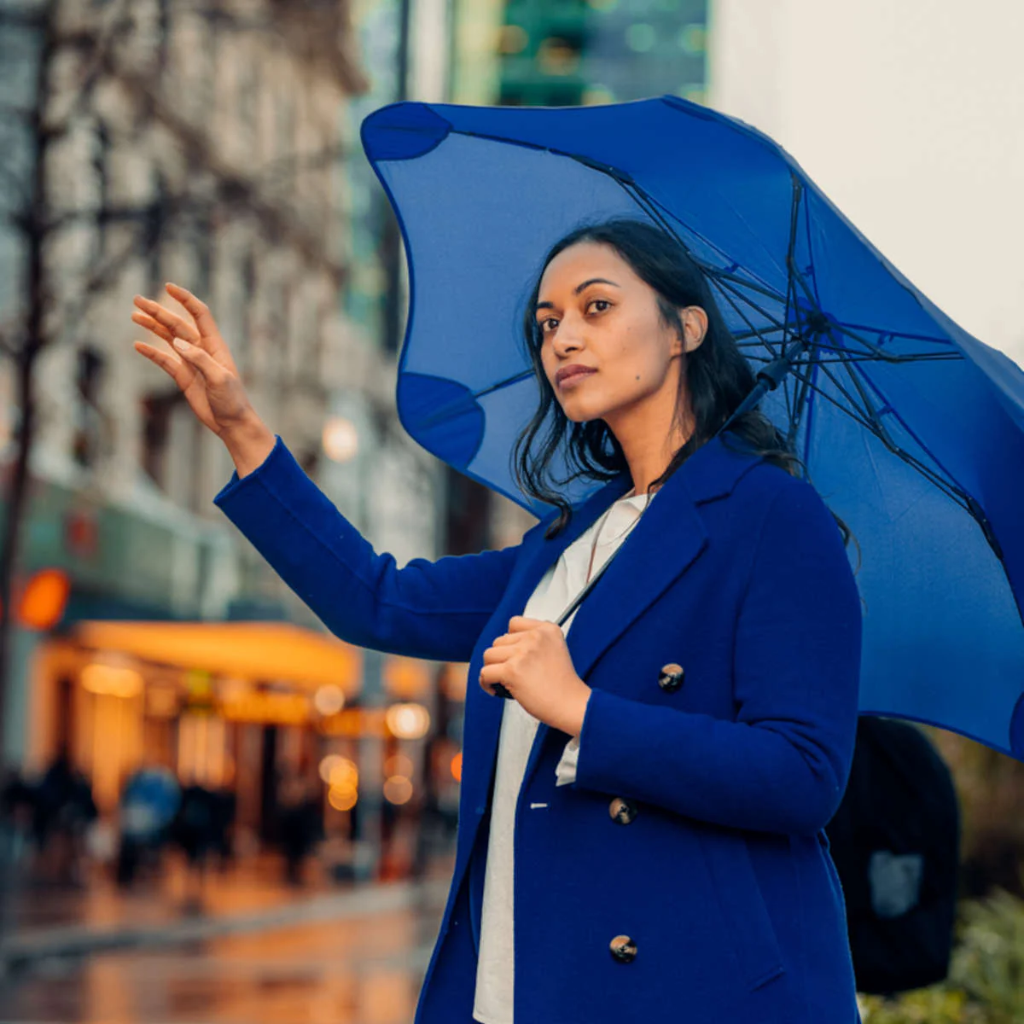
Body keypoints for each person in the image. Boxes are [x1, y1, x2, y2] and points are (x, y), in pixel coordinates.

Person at [129, 217, 863, 1024]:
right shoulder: (566, 540)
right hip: (515, 984)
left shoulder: (772, 516)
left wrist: (583, 710)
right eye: (547, 323)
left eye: (596, 307)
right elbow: (379, 598)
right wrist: (242, 431)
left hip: (680, 987)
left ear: (685, 328)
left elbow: (804, 774)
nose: (562, 339)